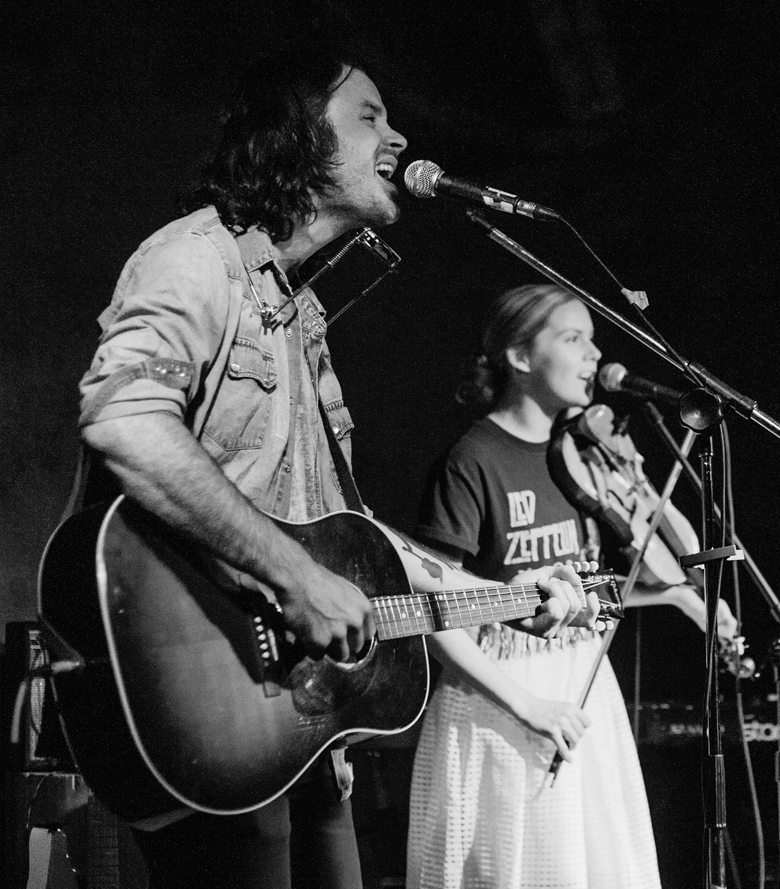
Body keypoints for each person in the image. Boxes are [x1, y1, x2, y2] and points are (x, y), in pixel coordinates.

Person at [71, 49, 597, 889]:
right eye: (368, 115)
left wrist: (499, 600)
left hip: (293, 712)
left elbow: (338, 531)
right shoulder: (196, 259)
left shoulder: (301, 312)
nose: (398, 135)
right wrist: (291, 577)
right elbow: (125, 419)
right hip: (204, 681)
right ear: (292, 135)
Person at [406, 283, 736, 889]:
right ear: (521, 356)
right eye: (573, 338)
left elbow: (586, 592)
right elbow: (434, 611)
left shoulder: (578, 457)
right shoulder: (473, 459)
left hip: (584, 695)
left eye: (592, 339)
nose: (593, 355)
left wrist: (681, 596)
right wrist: (527, 705)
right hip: (500, 697)